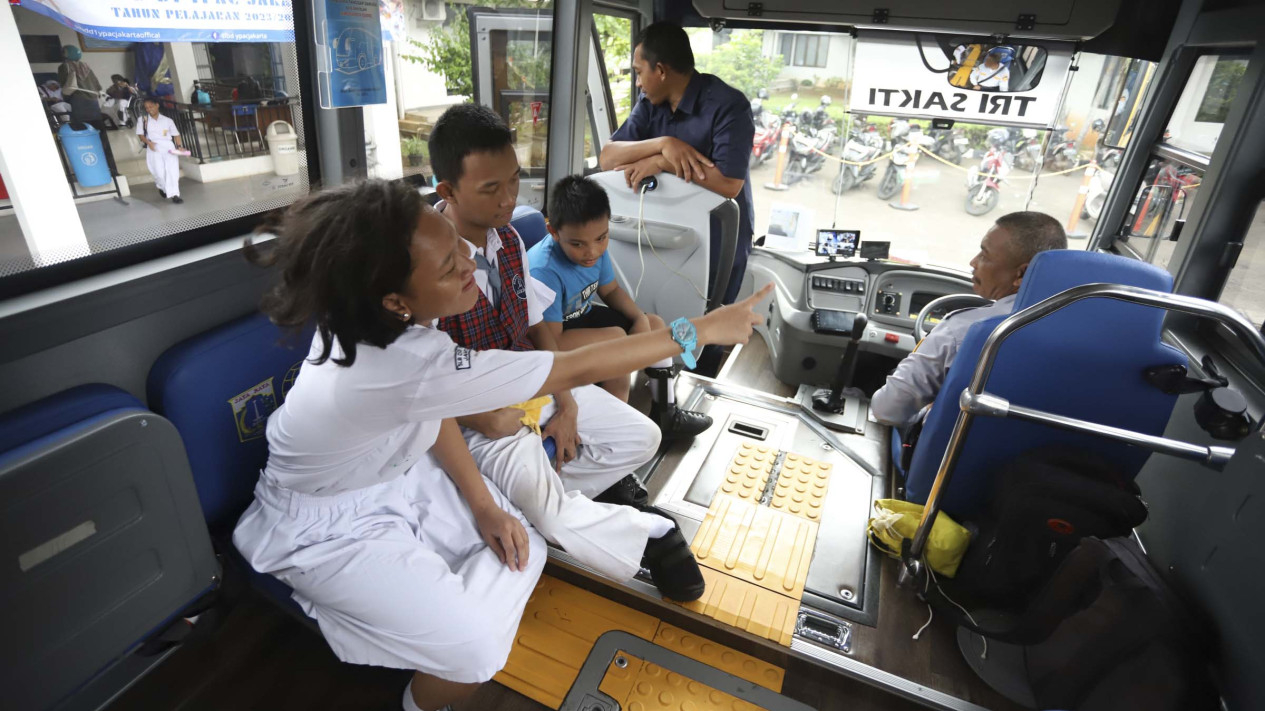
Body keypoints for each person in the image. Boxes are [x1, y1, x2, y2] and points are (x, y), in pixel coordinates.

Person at [231, 178, 771, 711]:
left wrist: (485, 506)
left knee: (522, 544)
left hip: (394, 472)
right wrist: (700, 328)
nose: (470, 267)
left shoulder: (372, 313)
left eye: (457, 248)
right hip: (322, 523)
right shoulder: (396, 362)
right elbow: (571, 366)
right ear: (395, 299)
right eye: (449, 267)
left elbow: (426, 405)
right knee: (475, 650)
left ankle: (460, 577)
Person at [427, 103, 673, 511]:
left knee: (645, 438)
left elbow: (538, 328)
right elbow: (424, 379)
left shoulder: (507, 240)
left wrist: (568, 402)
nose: (509, 199)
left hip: (529, 380)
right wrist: (482, 419)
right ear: (448, 191)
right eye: (491, 189)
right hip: (481, 408)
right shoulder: (425, 263)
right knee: (542, 505)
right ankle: (539, 498)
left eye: (514, 179)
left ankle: (545, 488)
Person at [527, 174, 714, 438]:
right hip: (549, 338)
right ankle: (611, 433)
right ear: (554, 233)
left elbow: (611, 290)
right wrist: (623, 341)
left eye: (601, 239)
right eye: (578, 244)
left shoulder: (594, 251)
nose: (592, 252)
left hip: (580, 316)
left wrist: (638, 319)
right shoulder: (544, 270)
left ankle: (666, 414)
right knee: (616, 343)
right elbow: (550, 343)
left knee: (655, 324)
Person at [598, 22, 756, 309]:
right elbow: (608, 157)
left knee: (706, 322)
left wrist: (662, 163)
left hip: (717, 236)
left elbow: (729, 183)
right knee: (661, 311)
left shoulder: (728, 106)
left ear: (660, 70)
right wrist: (664, 144)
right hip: (664, 225)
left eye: (638, 72)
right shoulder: (649, 103)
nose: (637, 82)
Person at [870, 212, 1067, 429]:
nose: (973, 262)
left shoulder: (964, 329)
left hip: (945, 461)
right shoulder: (1089, 334)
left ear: (1021, 274)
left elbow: (887, 410)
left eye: (984, 254)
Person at [135, 97, 185, 204]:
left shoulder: (168, 120)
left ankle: (174, 194)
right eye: (146, 108)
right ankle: (162, 187)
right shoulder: (143, 120)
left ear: (157, 105)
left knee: (172, 172)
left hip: (168, 147)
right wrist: (149, 143)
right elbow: (140, 135)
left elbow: (176, 135)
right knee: (159, 173)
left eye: (151, 106)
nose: (149, 109)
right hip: (154, 147)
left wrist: (179, 146)